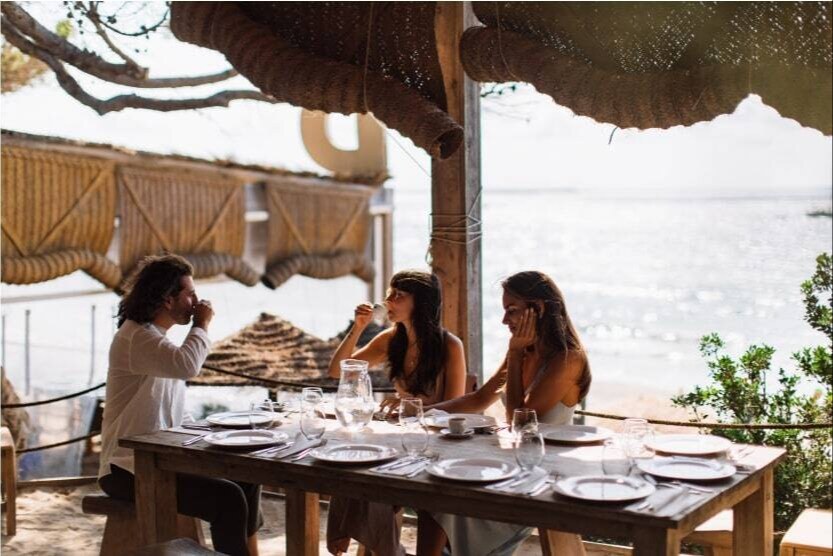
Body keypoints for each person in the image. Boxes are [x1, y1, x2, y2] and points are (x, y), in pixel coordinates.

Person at [97, 254, 262, 556]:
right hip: (126, 469)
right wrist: (201, 325)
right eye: (190, 294)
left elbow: (170, 405)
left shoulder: (156, 340)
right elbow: (187, 365)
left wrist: (209, 433)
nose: (197, 301)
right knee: (228, 498)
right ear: (167, 299)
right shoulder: (137, 337)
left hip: (160, 460)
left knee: (246, 480)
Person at [425, 270, 592, 556]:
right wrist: (421, 412)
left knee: (448, 498)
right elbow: (480, 398)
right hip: (512, 459)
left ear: (537, 309)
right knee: (433, 486)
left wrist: (515, 355)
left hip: (540, 470)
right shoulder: (525, 350)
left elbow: (520, 419)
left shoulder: (567, 359)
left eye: (511, 311)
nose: (505, 321)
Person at [326, 270, 467, 556]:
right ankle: (384, 548)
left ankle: (382, 548)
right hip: (403, 441)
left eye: (398, 295)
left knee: (370, 472)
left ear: (422, 302)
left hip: (438, 447)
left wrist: (411, 409)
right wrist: (358, 327)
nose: (388, 300)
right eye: (389, 293)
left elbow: (455, 410)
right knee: (353, 464)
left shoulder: (450, 346)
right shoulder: (392, 339)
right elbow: (337, 371)